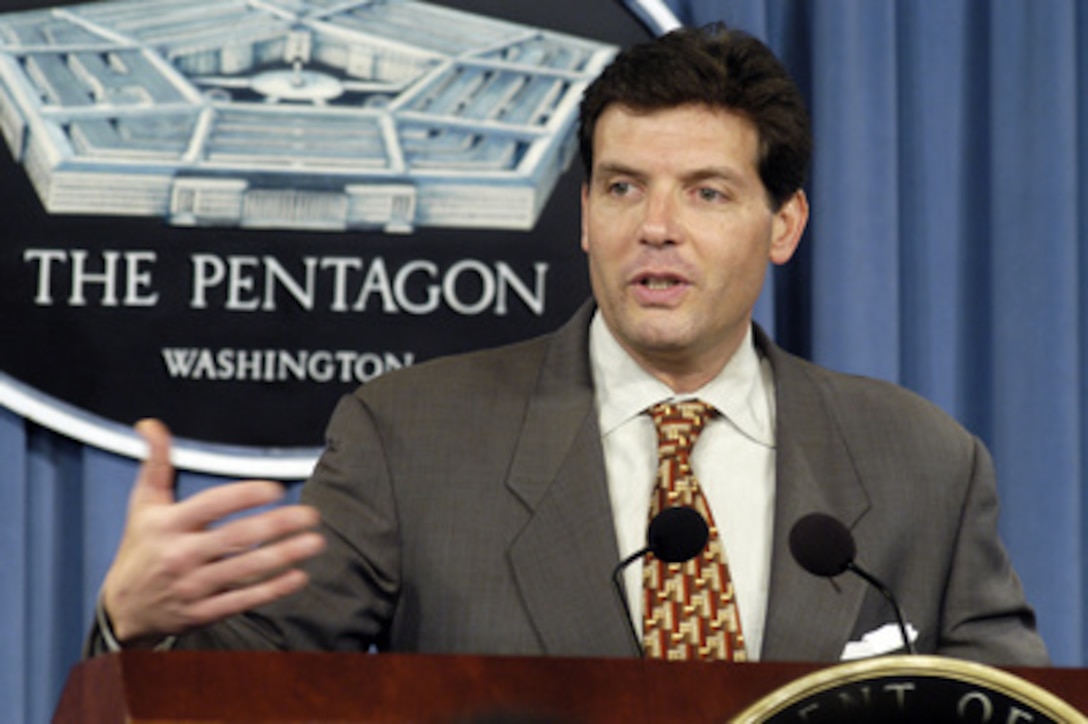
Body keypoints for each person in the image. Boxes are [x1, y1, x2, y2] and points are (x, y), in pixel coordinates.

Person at [87, 23, 1048, 665]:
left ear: (784, 224)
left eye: (707, 192)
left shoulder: (925, 462)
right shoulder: (412, 438)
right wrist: (133, 629)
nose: (657, 227)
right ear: (586, 215)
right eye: (624, 188)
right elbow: (246, 694)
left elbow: (1017, 711)